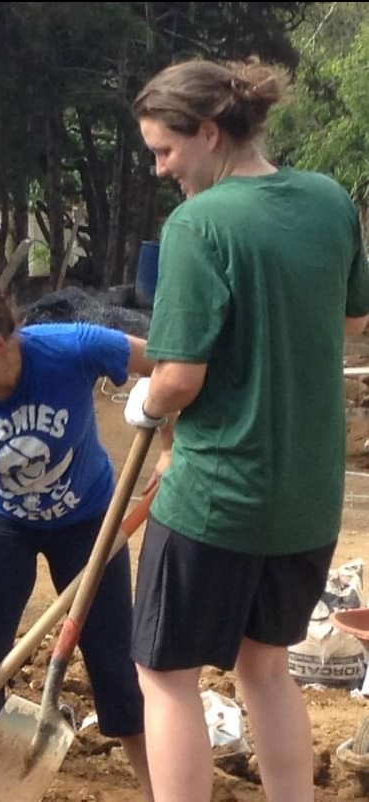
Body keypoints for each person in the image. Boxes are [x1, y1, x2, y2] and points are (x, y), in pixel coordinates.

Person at [125, 57, 369, 802]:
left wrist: (143, 403)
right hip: (304, 498)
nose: (161, 169)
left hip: (215, 497)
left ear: (206, 132)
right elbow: (353, 321)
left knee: (164, 676)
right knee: (263, 667)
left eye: (164, 151)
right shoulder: (329, 201)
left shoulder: (198, 223)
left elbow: (178, 377)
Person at [0, 254, 156, 802]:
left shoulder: (70, 348)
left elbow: (166, 367)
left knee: (117, 665)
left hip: (92, 520)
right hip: (1, 525)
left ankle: (160, 792)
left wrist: (170, 442)